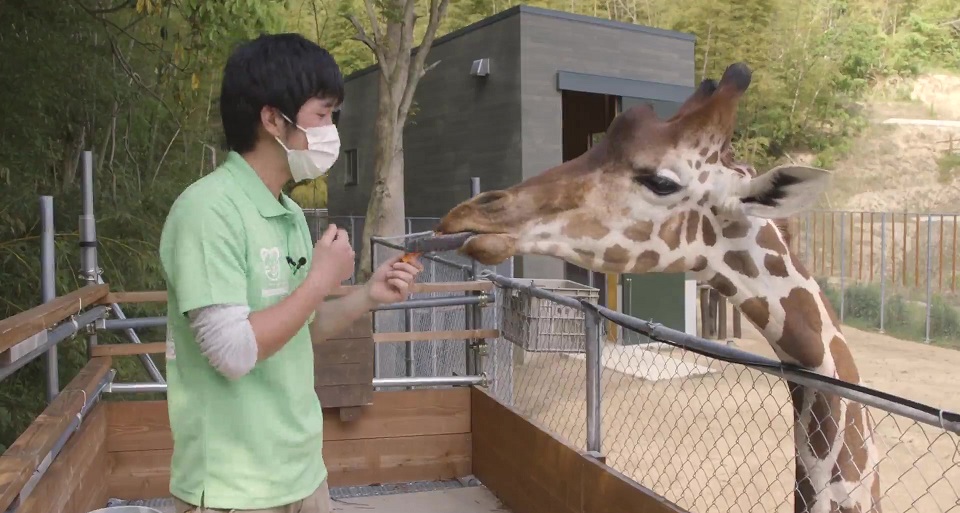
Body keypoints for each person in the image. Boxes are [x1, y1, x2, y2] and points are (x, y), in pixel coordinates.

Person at [158, 33, 422, 513]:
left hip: (303, 475)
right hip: (232, 490)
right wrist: (321, 279)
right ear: (271, 118)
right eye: (322, 115)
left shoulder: (289, 215)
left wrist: (366, 295)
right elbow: (234, 353)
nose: (331, 130)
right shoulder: (206, 210)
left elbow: (301, 328)